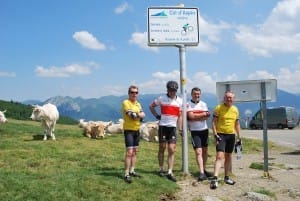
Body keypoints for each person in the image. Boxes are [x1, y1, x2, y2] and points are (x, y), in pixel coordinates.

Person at [149, 80, 183, 182]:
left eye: (174, 90)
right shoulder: (162, 98)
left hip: (172, 127)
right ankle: (161, 169)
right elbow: (151, 106)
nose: (172, 92)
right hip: (163, 126)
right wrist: (157, 116)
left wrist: (180, 128)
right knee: (162, 148)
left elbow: (180, 116)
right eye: (171, 90)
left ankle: (170, 171)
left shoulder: (180, 101)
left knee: (172, 149)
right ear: (167, 90)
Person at [210, 91, 241, 189]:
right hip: (221, 135)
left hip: (231, 135)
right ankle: (215, 178)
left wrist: (239, 137)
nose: (229, 99)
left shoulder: (235, 109)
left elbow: (237, 124)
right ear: (224, 98)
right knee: (219, 156)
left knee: (228, 156)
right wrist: (215, 135)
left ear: (233, 99)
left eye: (231, 98)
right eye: (227, 97)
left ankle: (226, 177)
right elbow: (214, 123)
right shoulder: (218, 108)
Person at [187, 87, 213, 182]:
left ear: (200, 94)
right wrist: (201, 116)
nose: (196, 95)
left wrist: (195, 117)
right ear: (191, 94)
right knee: (198, 152)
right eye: (195, 94)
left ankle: (204, 169)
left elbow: (206, 116)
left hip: (204, 130)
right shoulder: (188, 104)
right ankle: (201, 172)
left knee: (205, 151)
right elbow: (190, 117)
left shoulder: (203, 104)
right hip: (195, 131)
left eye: (198, 94)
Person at [122, 85, 145, 183]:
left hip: (137, 129)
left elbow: (142, 116)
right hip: (128, 130)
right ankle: (126, 173)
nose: (134, 94)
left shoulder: (138, 104)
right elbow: (132, 116)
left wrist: (138, 115)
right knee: (129, 152)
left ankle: (132, 170)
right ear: (129, 93)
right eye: (132, 92)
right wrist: (139, 115)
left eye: (136, 92)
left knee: (135, 151)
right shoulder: (125, 103)